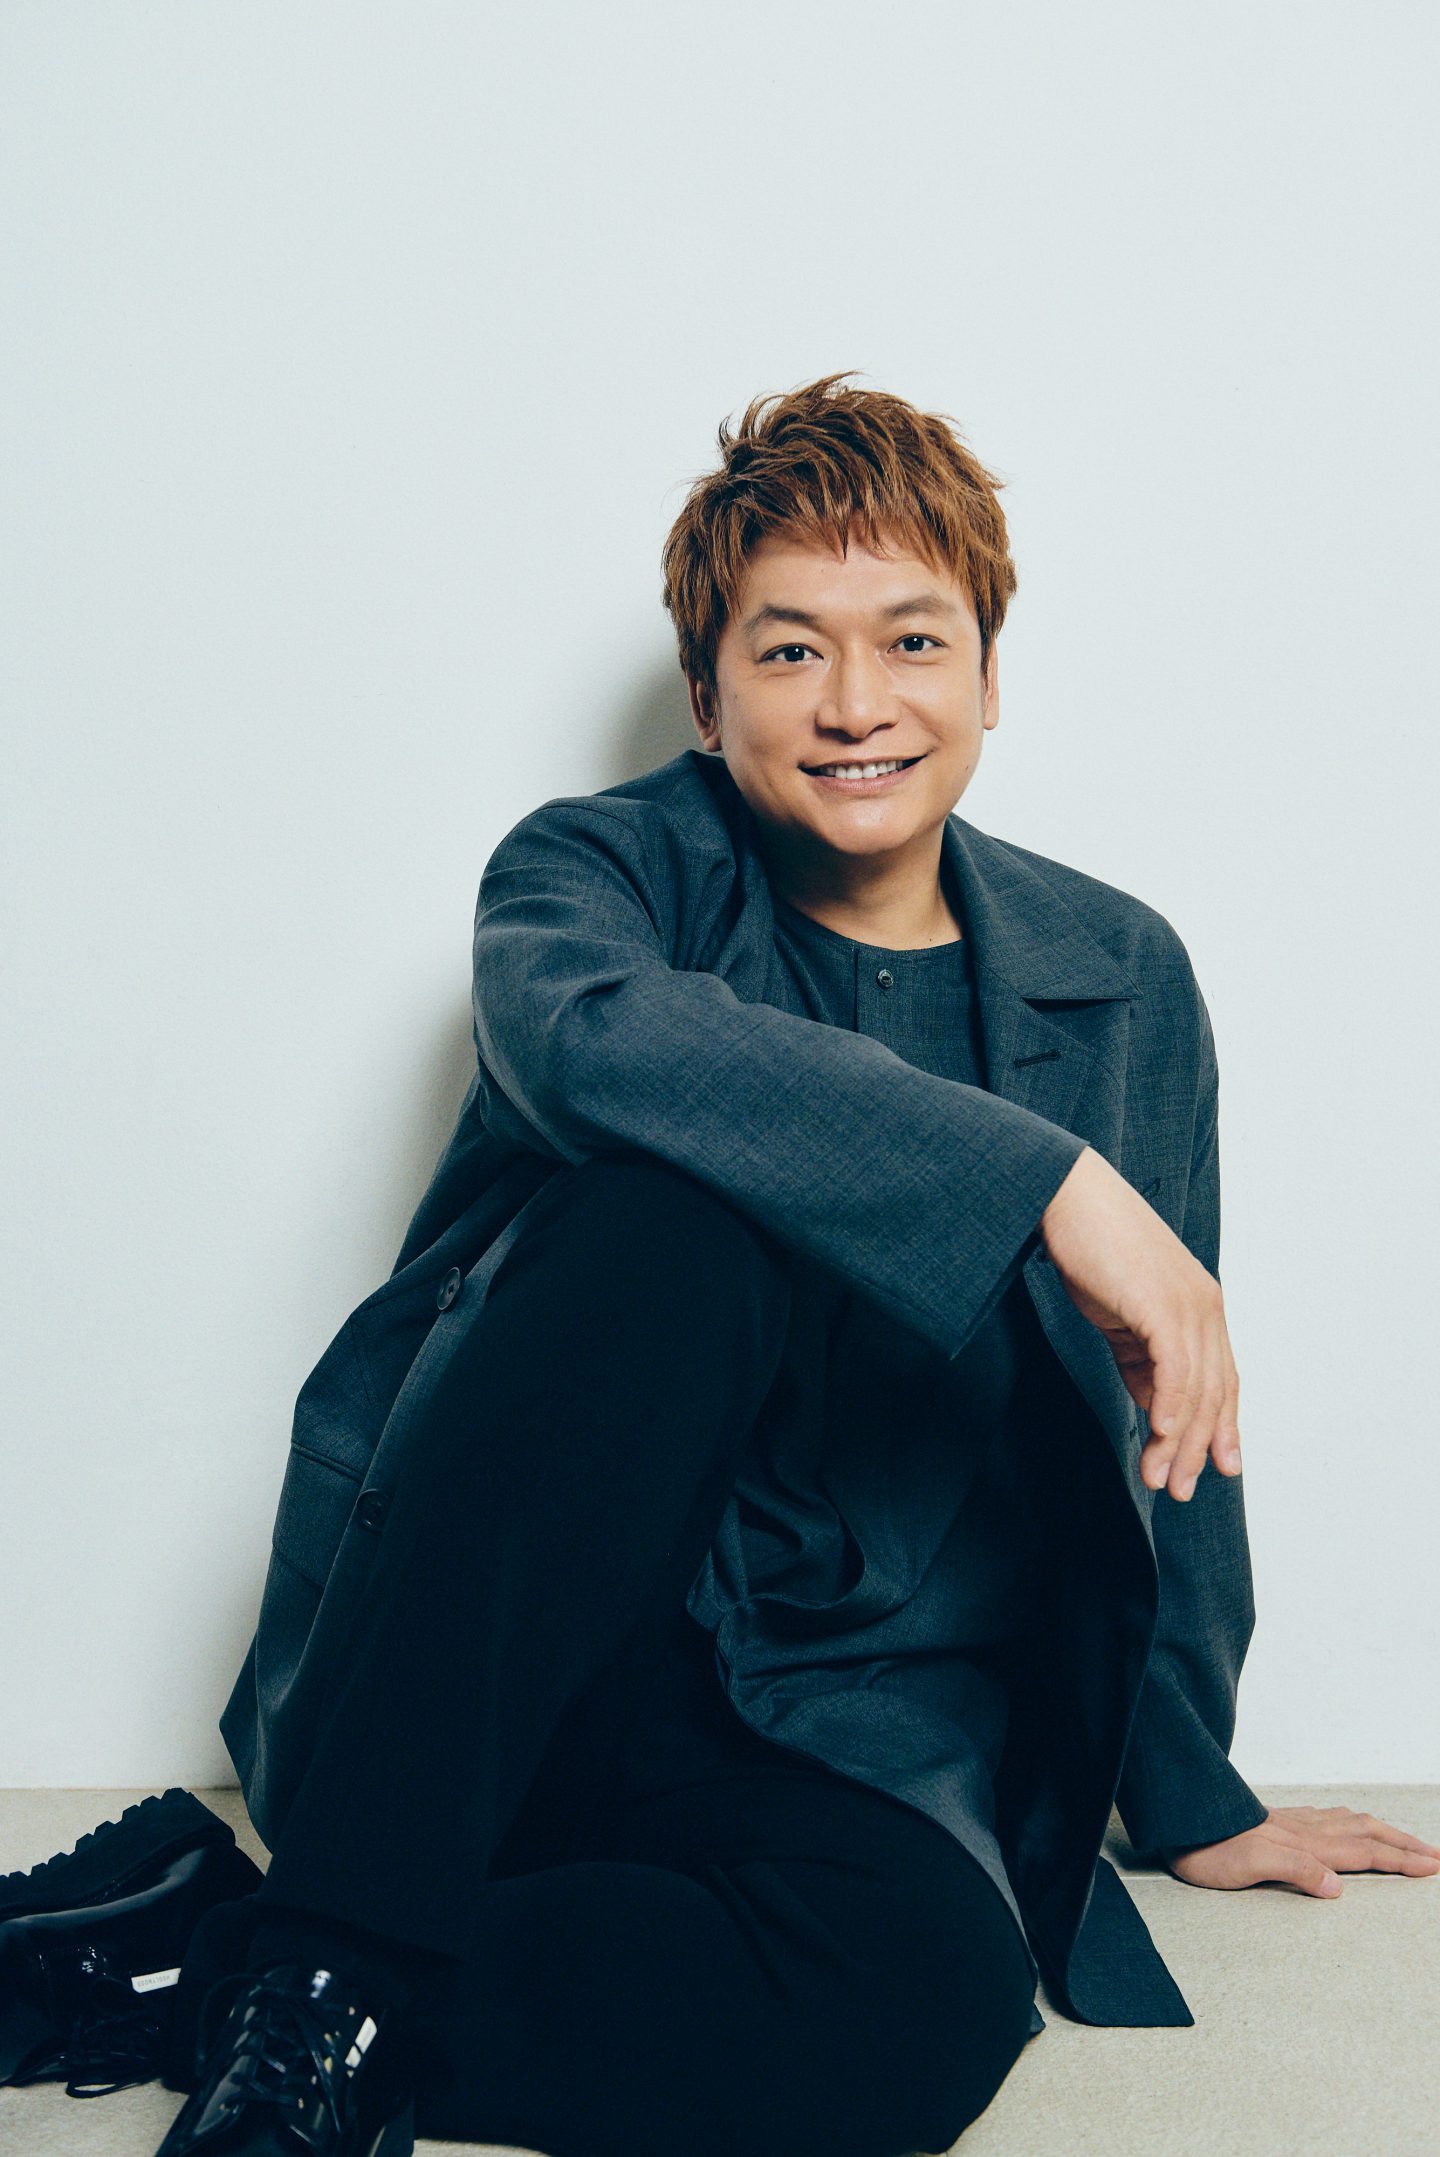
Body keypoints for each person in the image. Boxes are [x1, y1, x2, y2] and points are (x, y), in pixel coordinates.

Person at [21, 373, 1437, 2157]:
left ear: (990, 675)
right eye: (788, 652)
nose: (857, 703)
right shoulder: (594, 878)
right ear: (707, 698)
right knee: (678, 1219)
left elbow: (1169, 1402)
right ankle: (329, 1964)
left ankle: (224, 1960)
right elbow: (595, 1043)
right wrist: (1041, 1181)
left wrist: (1185, 1781)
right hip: (495, 1694)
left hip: (841, 1716)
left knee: (922, 2008)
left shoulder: (1118, 976)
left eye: (912, 640)